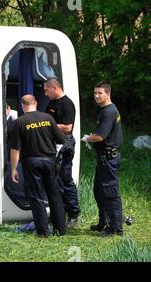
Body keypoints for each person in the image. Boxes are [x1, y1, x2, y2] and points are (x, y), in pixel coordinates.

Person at [10, 95, 67, 237]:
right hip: (49, 161)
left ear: (23, 106)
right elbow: (61, 139)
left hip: (32, 162)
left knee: (36, 197)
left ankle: (42, 232)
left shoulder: (20, 122)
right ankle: (60, 230)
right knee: (54, 196)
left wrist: (13, 168)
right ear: (35, 103)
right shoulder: (48, 118)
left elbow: (15, 149)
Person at [81, 81, 123, 236]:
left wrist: (87, 138)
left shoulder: (108, 111)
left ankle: (116, 228)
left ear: (108, 94)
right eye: (95, 93)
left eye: (100, 93)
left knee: (110, 192)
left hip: (109, 158)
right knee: (99, 191)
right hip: (104, 157)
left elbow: (99, 136)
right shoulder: (106, 109)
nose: (96, 96)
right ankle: (103, 222)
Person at [44, 77, 80, 228]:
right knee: (55, 180)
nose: (45, 94)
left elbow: (68, 128)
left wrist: (49, 125)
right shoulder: (52, 103)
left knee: (65, 179)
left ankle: (74, 215)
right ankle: (59, 214)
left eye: (46, 90)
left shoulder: (66, 104)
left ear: (54, 88)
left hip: (65, 145)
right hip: (54, 145)